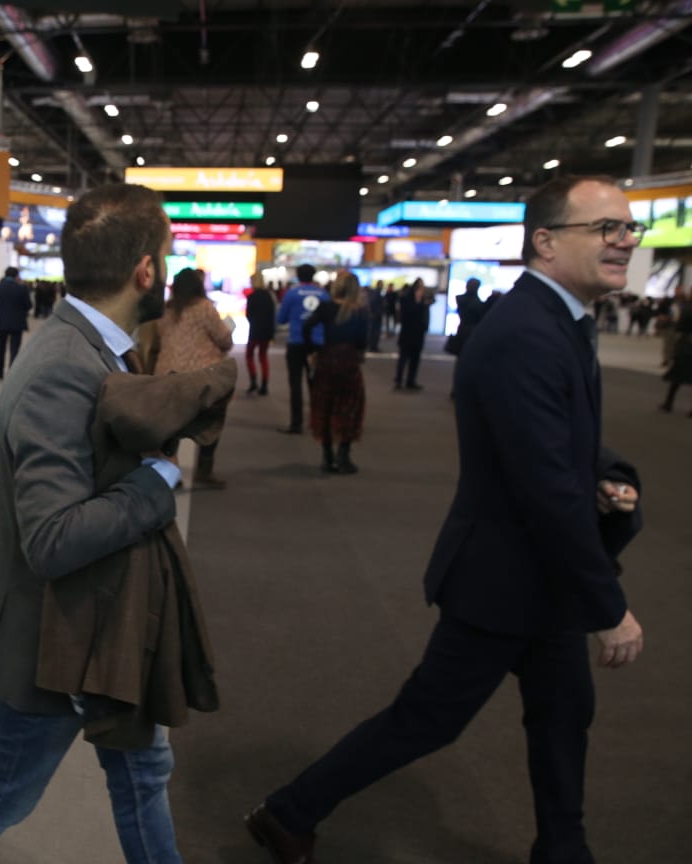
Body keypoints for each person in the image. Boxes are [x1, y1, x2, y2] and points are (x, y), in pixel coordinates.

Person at [245, 175, 646, 864]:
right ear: (545, 242)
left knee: (562, 719)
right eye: (606, 229)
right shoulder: (527, 332)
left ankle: (562, 847)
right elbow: (542, 486)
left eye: (628, 229)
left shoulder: (559, 322)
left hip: (540, 584)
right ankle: (288, 812)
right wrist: (609, 604)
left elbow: (552, 445)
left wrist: (604, 475)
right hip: (502, 583)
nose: (624, 243)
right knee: (427, 719)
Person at [0, 184, 186, 863]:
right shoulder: (66, 366)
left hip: (97, 630)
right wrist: (156, 486)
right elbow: (52, 538)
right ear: (145, 270)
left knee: (142, 777)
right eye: (167, 257)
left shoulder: (95, 348)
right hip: (53, 643)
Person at [152, 267, 234, 488]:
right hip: (202, 377)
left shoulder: (165, 311)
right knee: (211, 421)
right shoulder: (204, 308)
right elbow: (224, 339)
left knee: (171, 426)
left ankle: (170, 472)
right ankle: (205, 471)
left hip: (167, 375)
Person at [302, 272, 369, 474]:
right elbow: (362, 341)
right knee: (349, 407)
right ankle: (344, 455)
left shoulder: (326, 307)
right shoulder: (360, 311)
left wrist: (312, 349)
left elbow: (307, 327)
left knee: (325, 406)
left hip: (327, 359)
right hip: (348, 362)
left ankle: (327, 456)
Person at [275, 263, 329, 434]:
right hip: (317, 344)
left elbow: (281, 318)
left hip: (296, 342)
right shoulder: (324, 295)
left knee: (295, 384)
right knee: (317, 384)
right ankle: (317, 422)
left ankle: (296, 423)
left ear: (298, 276)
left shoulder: (292, 294)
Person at [0, 266, 33, 380]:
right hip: (17, 324)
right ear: (16, 276)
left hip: (1, 323)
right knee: (14, 349)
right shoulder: (22, 288)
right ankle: (12, 372)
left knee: (1, 348)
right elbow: (28, 306)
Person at [449, 277, 487, 397]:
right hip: (471, 332)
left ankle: (457, 389)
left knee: (461, 362)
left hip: (463, 330)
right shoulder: (475, 302)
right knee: (468, 363)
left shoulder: (461, 299)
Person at [393, 277, 433, 390]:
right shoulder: (406, 299)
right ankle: (399, 380)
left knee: (415, 358)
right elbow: (407, 314)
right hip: (407, 332)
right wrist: (421, 303)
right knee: (403, 357)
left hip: (418, 333)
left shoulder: (423, 301)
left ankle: (411, 380)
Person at [658, 292, 692, 416]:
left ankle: (668, 403)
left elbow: (680, 327)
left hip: (686, 346)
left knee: (677, 378)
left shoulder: (688, 309)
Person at [245, 273, 276, 395]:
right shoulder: (269, 296)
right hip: (267, 330)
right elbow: (273, 314)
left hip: (255, 330)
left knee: (249, 355)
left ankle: (253, 382)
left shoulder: (251, 296)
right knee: (263, 357)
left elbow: (248, 314)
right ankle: (264, 385)